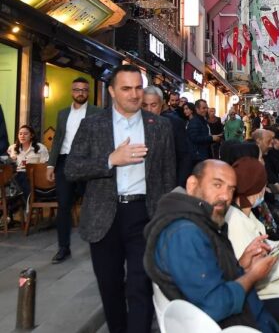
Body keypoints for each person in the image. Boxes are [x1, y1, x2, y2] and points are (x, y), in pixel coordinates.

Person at [65, 64, 176, 333]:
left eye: (138, 87)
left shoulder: (159, 126)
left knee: (141, 285)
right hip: (104, 216)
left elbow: (167, 176)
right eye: (126, 88)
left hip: (144, 214)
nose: (134, 94)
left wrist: (165, 219)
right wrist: (110, 160)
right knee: (110, 285)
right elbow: (72, 169)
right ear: (112, 91)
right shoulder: (92, 125)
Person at [143, 160, 279, 332]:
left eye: (231, 189)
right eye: (217, 184)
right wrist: (252, 275)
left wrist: (242, 265)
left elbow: (208, 279)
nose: (226, 196)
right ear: (192, 184)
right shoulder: (185, 233)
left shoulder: (199, 221)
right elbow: (216, 305)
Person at [226, 157, 279, 331]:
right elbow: (260, 274)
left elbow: (263, 241)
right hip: (263, 297)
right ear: (256, 190)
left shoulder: (245, 213)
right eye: (263, 186)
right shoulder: (236, 221)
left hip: (270, 288)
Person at [46, 77, 100, 263]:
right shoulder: (62, 114)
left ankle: (98, 244)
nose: (81, 93)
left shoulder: (97, 112)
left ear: (88, 92)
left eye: (84, 90)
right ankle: (63, 248)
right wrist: (51, 165)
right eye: (77, 89)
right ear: (72, 92)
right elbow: (57, 140)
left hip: (87, 162)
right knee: (64, 206)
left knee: (93, 204)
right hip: (65, 162)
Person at [142, 86, 194, 187]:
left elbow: (185, 157)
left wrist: (178, 187)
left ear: (161, 104)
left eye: (153, 105)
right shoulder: (134, 124)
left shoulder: (173, 123)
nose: (149, 110)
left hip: (166, 185)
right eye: (144, 105)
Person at [7, 125, 49, 200]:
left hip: (35, 176)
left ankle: (28, 203)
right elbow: (8, 164)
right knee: (20, 176)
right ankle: (30, 203)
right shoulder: (12, 148)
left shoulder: (40, 148)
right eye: (20, 134)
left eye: (25, 134)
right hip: (17, 177)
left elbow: (45, 165)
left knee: (24, 177)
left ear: (31, 135)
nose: (22, 136)